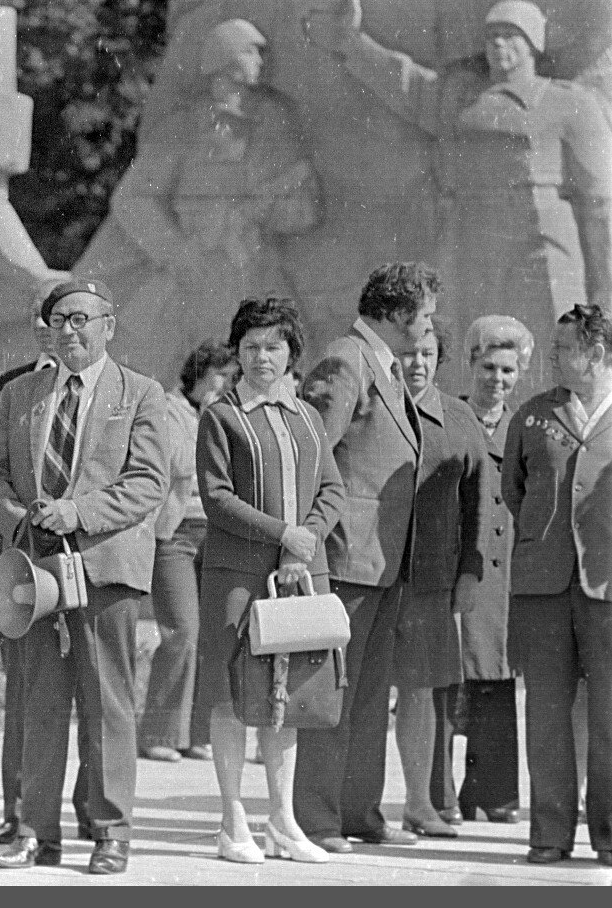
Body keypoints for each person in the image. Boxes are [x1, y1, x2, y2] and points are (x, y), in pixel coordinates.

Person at [0, 279, 170, 874]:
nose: (70, 330)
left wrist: (78, 513)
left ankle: (111, 833)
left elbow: (148, 482)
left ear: (109, 326)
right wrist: (21, 522)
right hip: (36, 572)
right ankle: (35, 832)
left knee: (108, 703)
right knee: (39, 702)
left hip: (104, 568)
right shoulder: (19, 394)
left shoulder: (140, 393)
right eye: (59, 319)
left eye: (82, 319)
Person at [303, 0, 612, 331]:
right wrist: (351, 41)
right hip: (475, 233)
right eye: (491, 35)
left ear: (533, 43)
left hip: (543, 234)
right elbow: (405, 81)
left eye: (511, 34)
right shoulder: (461, 98)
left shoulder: (569, 102)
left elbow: (599, 199)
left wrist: (606, 287)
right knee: (476, 332)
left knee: (555, 326)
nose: (498, 43)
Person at [74, 18, 319, 385]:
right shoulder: (184, 126)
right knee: (184, 371)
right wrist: (177, 252)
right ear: (225, 59)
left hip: (255, 265)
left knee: (285, 364)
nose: (261, 61)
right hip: (199, 269)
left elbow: (305, 212)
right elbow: (132, 199)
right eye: (251, 52)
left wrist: (264, 211)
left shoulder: (274, 124)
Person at [294, 261, 440, 853]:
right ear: (399, 313)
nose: (429, 327)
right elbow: (311, 455)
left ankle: (359, 812)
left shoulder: (382, 364)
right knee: (334, 692)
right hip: (344, 555)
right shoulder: (346, 360)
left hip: (381, 560)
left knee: (369, 695)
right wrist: (309, 540)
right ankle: (318, 818)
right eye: (425, 315)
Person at [195, 297, 344, 864]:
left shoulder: (308, 416)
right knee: (233, 694)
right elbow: (216, 497)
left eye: (273, 347)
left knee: (291, 697)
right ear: (237, 352)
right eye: (251, 346)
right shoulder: (221, 416)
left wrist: (305, 541)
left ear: (291, 353)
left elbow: (331, 488)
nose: (262, 357)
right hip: (237, 575)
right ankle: (232, 819)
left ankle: (282, 820)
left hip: (302, 572)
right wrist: (284, 534)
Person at [503, 303, 612, 866]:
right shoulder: (532, 414)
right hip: (542, 587)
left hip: (607, 588)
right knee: (546, 713)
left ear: (596, 354)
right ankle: (549, 833)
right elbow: (514, 489)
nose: (552, 356)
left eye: (564, 348)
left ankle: (610, 835)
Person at [434, 315, 534, 826]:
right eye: (489, 367)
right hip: (452, 565)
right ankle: (437, 793)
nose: (498, 379)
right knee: (443, 680)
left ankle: (492, 792)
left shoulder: (524, 426)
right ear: (471, 364)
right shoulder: (447, 417)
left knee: (495, 675)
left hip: (505, 571)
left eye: (508, 370)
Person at [0, 277, 65, 847]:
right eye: (41, 314)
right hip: (19, 555)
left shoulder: (117, 390)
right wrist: (25, 526)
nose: (49, 326)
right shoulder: (6, 389)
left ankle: (85, 810)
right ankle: (17, 810)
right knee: (24, 689)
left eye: (62, 314)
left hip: (83, 555)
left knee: (85, 688)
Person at [391, 316, 485, 839]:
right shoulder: (373, 406)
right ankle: (348, 805)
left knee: (420, 691)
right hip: (372, 574)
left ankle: (419, 803)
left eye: (427, 354)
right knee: (360, 694)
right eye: (409, 353)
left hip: (430, 578)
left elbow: (477, 504)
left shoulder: (459, 417)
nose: (418, 363)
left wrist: (469, 570)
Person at [141, 339, 238, 764]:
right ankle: (159, 732)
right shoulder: (167, 409)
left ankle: (198, 732)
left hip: (217, 534)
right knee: (182, 630)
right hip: (175, 534)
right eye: (218, 377)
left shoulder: (226, 412)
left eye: (229, 379)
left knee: (214, 635)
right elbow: (176, 464)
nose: (224, 386)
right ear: (198, 374)